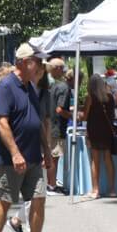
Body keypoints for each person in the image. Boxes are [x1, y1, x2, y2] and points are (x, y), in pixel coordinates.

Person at [0, 43, 57, 232]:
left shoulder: (30, 87)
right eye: (37, 62)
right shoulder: (6, 87)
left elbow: (37, 122)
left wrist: (46, 150)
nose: (40, 67)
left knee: (38, 199)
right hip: (10, 160)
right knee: (5, 201)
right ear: (25, 62)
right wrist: (16, 154)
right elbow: (2, 123)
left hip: (34, 157)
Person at [81, 73, 117, 199]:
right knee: (108, 159)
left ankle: (96, 190)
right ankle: (112, 189)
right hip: (107, 130)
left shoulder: (90, 97)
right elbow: (113, 114)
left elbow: (84, 116)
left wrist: (78, 114)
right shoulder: (110, 97)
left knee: (95, 161)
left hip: (94, 130)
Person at [46, 58, 72, 194]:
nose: (65, 70)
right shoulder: (63, 87)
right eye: (63, 67)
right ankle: (51, 185)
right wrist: (73, 116)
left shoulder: (49, 84)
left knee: (51, 156)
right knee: (54, 157)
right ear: (58, 69)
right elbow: (60, 109)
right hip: (56, 126)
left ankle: (52, 184)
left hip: (48, 124)